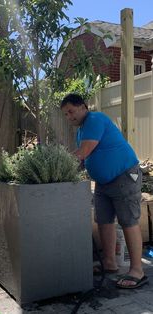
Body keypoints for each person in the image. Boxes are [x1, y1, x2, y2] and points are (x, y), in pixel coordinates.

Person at [61, 93, 148, 289]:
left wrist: (59, 164)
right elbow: (83, 159)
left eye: (71, 111)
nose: (69, 117)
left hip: (124, 176)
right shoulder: (81, 131)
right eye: (66, 114)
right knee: (103, 220)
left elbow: (82, 153)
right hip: (103, 183)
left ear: (83, 106)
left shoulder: (95, 119)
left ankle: (137, 271)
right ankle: (109, 263)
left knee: (128, 221)